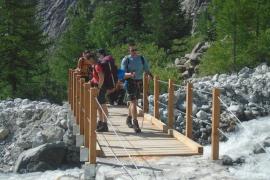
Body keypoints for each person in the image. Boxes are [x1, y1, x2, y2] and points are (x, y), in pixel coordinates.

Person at [121, 42, 152, 133]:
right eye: (132, 50)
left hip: (139, 82)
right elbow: (121, 74)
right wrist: (130, 74)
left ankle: (128, 118)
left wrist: (150, 75)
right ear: (129, 51)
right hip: (130, 82)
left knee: (133, 102)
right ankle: (135, 123)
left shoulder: (141, 58)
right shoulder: (126, 60)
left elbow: (146, 69)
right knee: (134, 102)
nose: (134, 52)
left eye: (135, 50)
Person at [85, 51, 109, 132]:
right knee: (99, 106)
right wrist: (90, 81)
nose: (86, 61)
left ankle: (105, 124)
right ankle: (101, 122)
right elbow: (96, 77)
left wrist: (99, 88)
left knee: (102, 105)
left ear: (91, 59)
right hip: (98, 87)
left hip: (100, 87)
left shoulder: (97, 66)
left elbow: (101, 77)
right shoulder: (95, 65)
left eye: (87, 60)